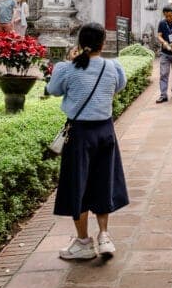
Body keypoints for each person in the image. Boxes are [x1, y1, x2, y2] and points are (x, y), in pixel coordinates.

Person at [45, 22, 129, 261]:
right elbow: (119, 88)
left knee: (77, 184)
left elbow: (53, 90)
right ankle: (104, 236)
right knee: (104, 181)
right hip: (105, 131)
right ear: (104, 43)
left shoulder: (66, 69)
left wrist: (70, 61)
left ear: (79, 43)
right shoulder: (113, 67)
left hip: (79, 133)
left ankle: (83, 241)